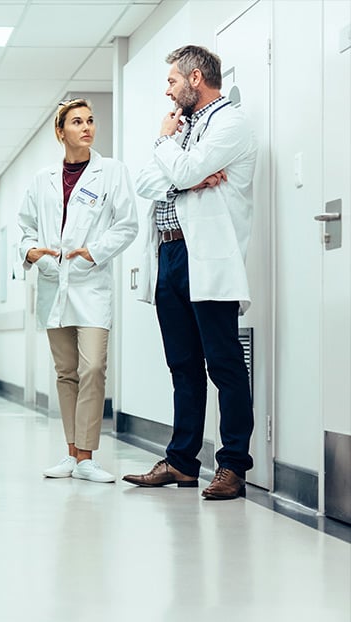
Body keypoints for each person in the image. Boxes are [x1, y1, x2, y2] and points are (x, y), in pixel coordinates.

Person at [122, 45, 257, 500]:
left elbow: (185, 168)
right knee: (182, 365)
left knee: (224, 364)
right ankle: (182, 462)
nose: (168, 90)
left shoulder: (230, 123)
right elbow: (145, 182)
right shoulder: (184, 126)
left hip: (209, 257)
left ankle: (233, 466)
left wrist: (170, 152)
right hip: (170, 258)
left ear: (195, 78)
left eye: (173, 81)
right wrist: (181, 172)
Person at [18, 99, 138, 483]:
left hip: (91, 284)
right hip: (54, 284)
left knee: (93, 367)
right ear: (60, 132)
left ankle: (87, 456)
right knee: (66, 372)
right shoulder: (43, 179)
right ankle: (71, 454)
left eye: (89, 121)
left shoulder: (112, 172)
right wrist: (31, 251)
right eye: (76, 122)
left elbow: (127, 224)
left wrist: (95, 252)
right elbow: (25, 228)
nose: (86, 127)